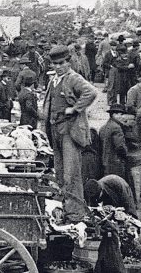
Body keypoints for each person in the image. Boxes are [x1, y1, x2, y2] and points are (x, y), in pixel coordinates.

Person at [43, 45, 97, 222]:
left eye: (61, 63)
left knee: (71, 173)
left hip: (69, 131)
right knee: (59, 172)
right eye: (55, 64)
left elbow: (91, 92)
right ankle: (64, 207)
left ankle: (76, 213)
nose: (58, 67)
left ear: (68, 62)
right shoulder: (54, 81)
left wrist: (75, 109)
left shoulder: (73, 78)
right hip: (55, 130)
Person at [99, 104, 128, 178]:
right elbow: (120, 147)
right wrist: (126, 156)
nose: (122, 117)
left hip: (105, 163)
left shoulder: (103, 127)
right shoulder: (116, 127)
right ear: (114, 114)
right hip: (116, 164)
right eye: (120, 114)